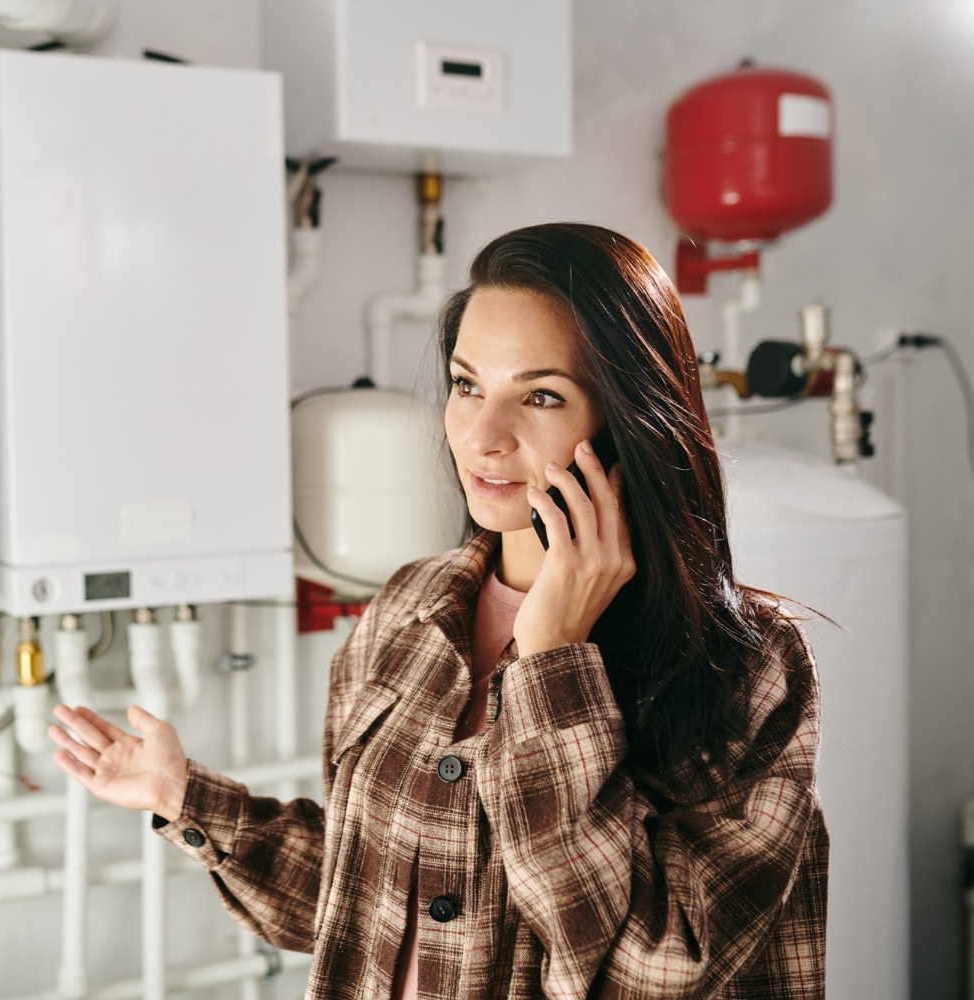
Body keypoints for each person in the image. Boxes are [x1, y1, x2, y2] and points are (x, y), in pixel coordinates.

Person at [47, 223, 831, 998]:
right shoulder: (406, 611)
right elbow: (365, 897)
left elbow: (660, 969)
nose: (483, 437)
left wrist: (555, 658)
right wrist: (181, 796)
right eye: (466, 386)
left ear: (628, 419)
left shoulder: (748, 666)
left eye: (542, 395)